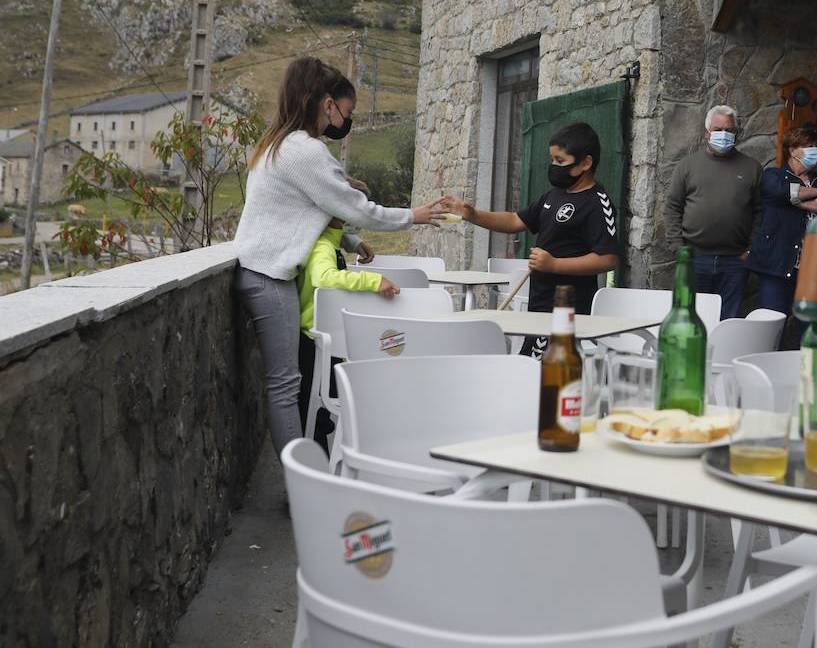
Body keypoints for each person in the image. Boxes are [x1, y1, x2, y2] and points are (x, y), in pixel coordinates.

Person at [234, 56, 446, 457]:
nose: (346, 122)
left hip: (260, 271)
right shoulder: (306, 150)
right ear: (327, 104)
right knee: (285, 384)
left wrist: (348, 241)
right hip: (268, 276)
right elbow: (354, 206)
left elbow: (308, 210)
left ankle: (300, 470)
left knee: (286, 382)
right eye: (346, 112)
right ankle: (299, 478)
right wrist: (413, 216)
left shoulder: (280, 143)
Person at [453, 122, 620, 356]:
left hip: (567, 312)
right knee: (532, 370)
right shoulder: (554, 195)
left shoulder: (598, 203)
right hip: (539, 306)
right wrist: (474, 216)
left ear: (586, 163)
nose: (553, 166)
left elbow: (608, 258)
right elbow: (515, 220)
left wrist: (554, 264)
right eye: (552, 160)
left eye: (560, 161)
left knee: (534, 370)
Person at [296, 213, 400, 452]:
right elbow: (324, 277)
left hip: (326, 337)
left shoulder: (331, 243)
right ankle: (316, 461)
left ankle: (323, 459)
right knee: (318, 406)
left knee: (323, 405)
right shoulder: (322, 245)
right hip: (316, 339)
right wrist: (373, 281)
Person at [746, 122, 817, 342]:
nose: (813, 150)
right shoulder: (773, 175)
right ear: (792, 150)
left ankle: (804, 363)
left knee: (809, 328)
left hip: (812, 268)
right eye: (807, 146)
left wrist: (800, 201)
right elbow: (780, 192)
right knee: (772, 326)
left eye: (815, 145)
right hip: (777, 264)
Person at [664, 104, 761, 319]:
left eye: (729, 130)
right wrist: (678, 249)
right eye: (718, 130)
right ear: (707, 133)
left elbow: (760, 212)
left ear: (736, 133)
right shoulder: (687, 165)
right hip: (694, 258)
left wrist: (751, 249)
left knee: (728, 321)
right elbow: (672, 207)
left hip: (735, 261)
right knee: (690, 318)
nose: (724, 135)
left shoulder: (752, 168)